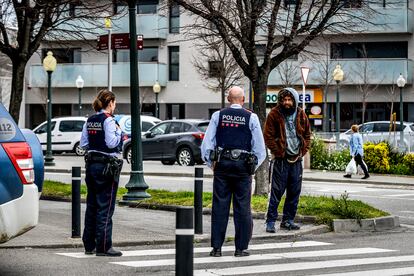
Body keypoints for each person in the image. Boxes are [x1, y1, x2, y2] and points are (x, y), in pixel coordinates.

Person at [201, 86, 266, 257]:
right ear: (243, 100)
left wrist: (211, 163)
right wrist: (252, 167)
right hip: (243, 166)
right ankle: (240, 248)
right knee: (243, 207)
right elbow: (260, 148)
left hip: (222, 164)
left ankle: (216, 248)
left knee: (220, 206)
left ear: (229, 99)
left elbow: (207, 144)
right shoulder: (251, 117)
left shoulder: (218, 115)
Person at [80, 89, 124, 257]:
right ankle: (104, 246)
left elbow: (84, 144)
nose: (114, 106)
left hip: (91, 165)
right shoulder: (109, 120)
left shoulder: (90, 120)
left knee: (92, 205)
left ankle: (89, 244)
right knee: (105, 207)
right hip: (107, 167)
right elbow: (112, 143)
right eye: (114, 103)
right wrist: (119, 131)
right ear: (110, 103)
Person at [263, 87, 311, 233]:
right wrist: (278, 152)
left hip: (296, 160)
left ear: (294, 100)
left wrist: (303, 151)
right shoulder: (274, 114)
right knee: (276, 192)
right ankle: (270, 221)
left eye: (289, 100)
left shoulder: (301, 114)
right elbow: (268, 137)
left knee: (294, 192)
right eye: (284, 100)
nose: (286, 102)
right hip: (281, 161)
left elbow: (308, 135)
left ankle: (288, 220)